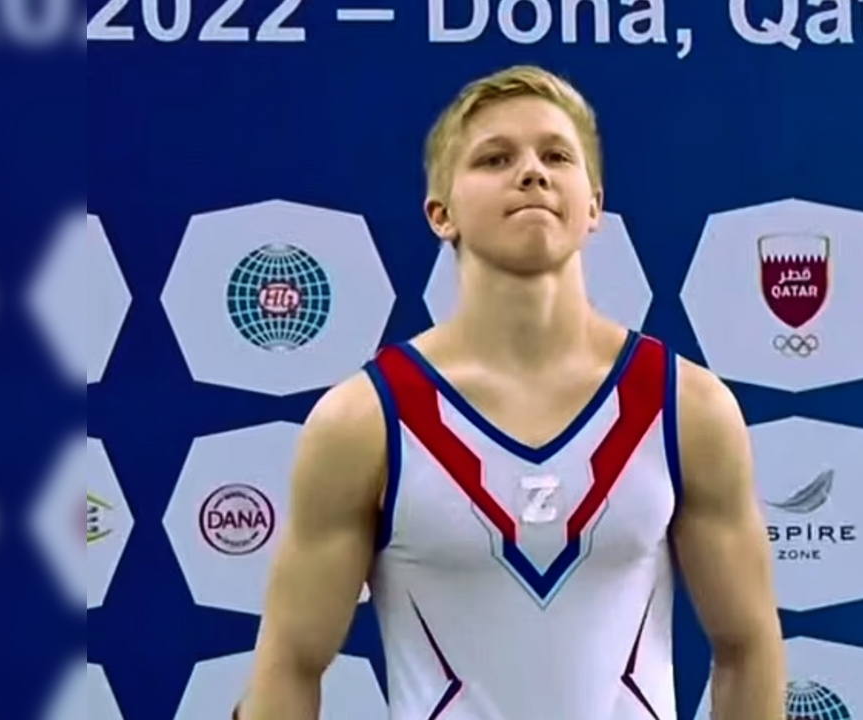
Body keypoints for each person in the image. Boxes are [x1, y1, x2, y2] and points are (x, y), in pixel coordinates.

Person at [234, 65, 786, 720]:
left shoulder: (684, 407)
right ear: (440, 213)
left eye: (555, 155)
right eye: (495, 158)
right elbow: (290, 664)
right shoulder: (365, 421)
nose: (531, 172)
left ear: (593, 207)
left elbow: (746, 646)